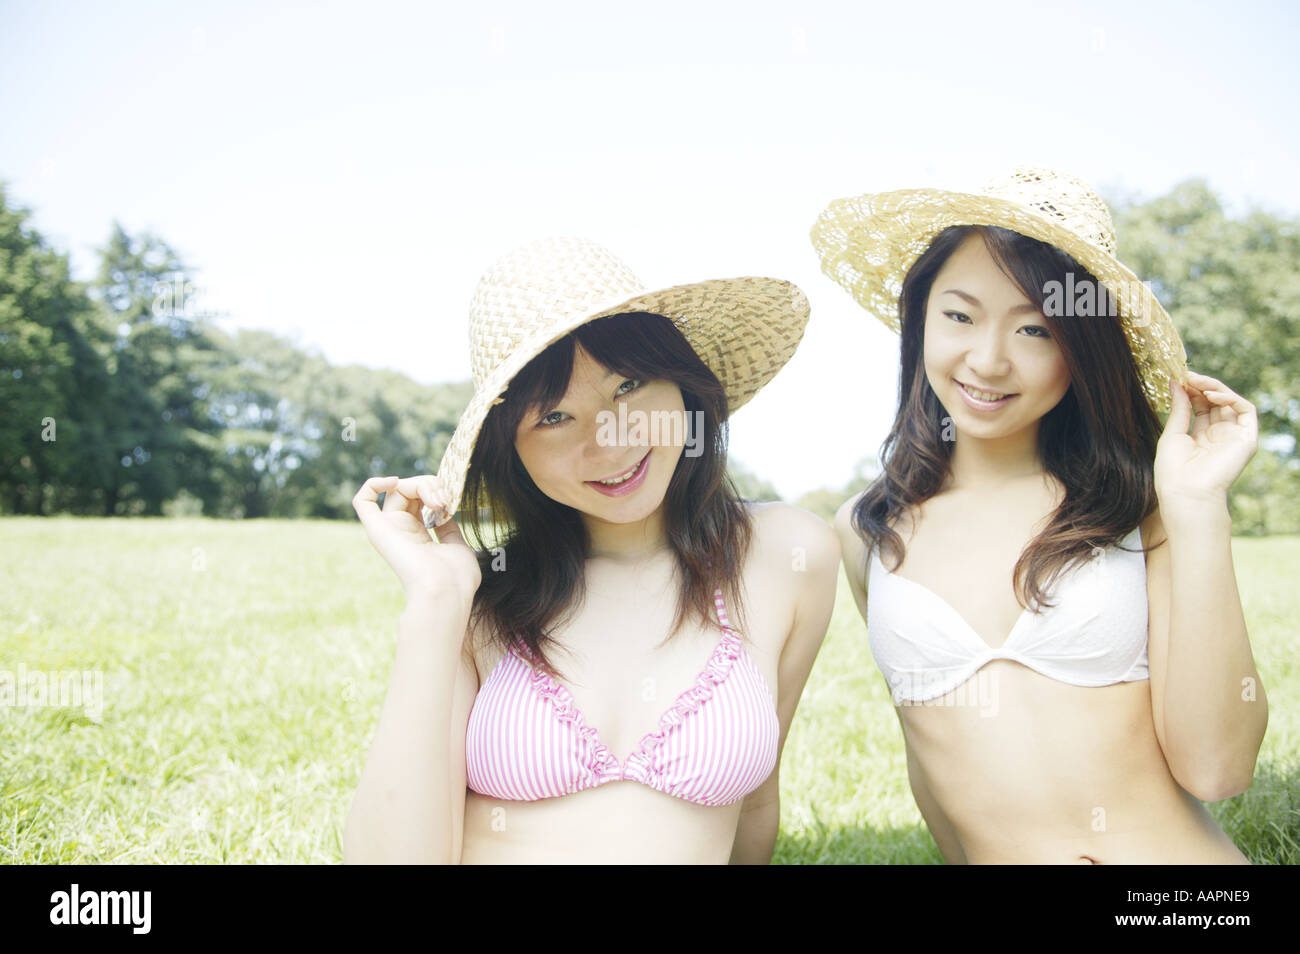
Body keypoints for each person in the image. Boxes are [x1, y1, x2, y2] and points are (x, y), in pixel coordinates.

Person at [811, 166, 1268, 864]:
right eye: (959, 316)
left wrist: (1199, 510)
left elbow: (1218, 769)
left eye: (1034, 330)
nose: (988, 361)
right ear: (920, 322)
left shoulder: (1142, 508)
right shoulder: (867, 529)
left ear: (1080, 353)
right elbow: (930, 765)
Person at [344, 236, 839, 864]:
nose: (609, 443)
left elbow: (755, 803)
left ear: (683, 387)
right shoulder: (478, 604)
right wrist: (435, 601)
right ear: (511, 449)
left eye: (628, 384)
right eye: (553, 417)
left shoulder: (788, 556)